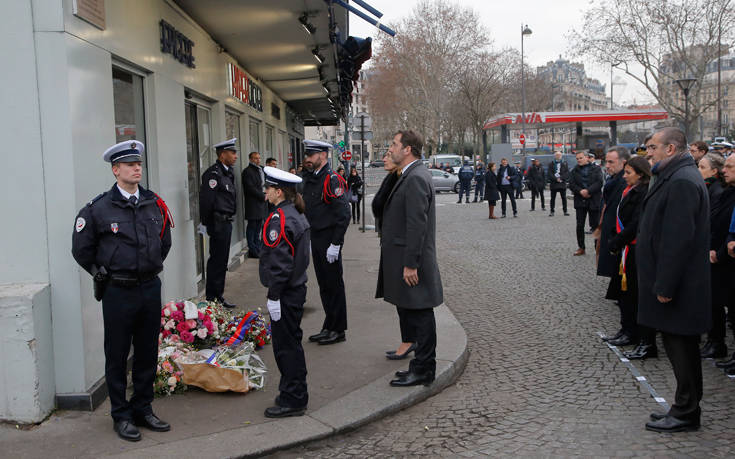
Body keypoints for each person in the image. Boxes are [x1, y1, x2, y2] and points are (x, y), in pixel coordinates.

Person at [72, 140, 173, 441]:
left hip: (149, 287)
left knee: (146, 352)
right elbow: (81, 249)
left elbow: (163, 241)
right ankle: (121, 415)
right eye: (129, 164)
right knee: (116, 354)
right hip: (118, 291)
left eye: (138, 163)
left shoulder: (154, 203)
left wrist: (148, 265)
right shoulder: (98, 209)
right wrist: (100, 273)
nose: (137, 167)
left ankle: (143, 408)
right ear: (116, 170)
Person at [638, 127, 711, 433]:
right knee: (677, 345)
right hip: (677, 285)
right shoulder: (676, 175)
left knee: (682, 348)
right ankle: (683, 406)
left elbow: (678, 240)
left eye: (652, 147)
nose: (648, 152)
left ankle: (686, 411)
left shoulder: (681, 180)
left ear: (670, 149)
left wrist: (665, 285)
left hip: (679, 288)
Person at [377, 130, 443, 387]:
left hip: (413, 263)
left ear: (407, 150)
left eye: (394, 144)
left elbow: (417, 225)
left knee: (421, 316)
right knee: (416, 314)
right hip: (406, 259)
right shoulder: (410, 174)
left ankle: (425, 370)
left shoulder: (415, 177)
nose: (391, 148)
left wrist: (410, 264)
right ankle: (419, 366)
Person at [259, 166, 311, 419]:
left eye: (268, 188)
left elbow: (280, 264)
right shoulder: (294, 213)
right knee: (291, 343)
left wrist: (273, 296)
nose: (265, 192)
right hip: (295, 289)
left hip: (286, 292)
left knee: (286, 347)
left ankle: (293, 398)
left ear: (278, 192)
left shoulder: (279, 218)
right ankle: (294, 392)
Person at [605, 157, 658, 358]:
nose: (625, 176)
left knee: (638, 296)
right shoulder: (629, 190)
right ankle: (627, 330)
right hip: (626, 248)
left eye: (629, 173)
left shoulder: (644, 193)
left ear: (641, 174)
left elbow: (636, 223)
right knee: (625, 294)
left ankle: (646, 340)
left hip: (637, 249)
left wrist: (618, 240)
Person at [302, 140, 351, 345]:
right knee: (324, 285)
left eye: (311, 155)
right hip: (317, 238)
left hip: (329, 239)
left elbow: (343, 214)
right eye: (307, 156)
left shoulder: (332, 180)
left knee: (334, 285)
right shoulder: (312, 178)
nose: (307, 159)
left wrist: (336, 243)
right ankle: (329, 324)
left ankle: (338, 329)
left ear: (322, 155)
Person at [372, 151, 416, 360]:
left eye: (389, 154)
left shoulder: (408, 179)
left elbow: (416, 224)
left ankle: (410, 342)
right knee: (400, 300)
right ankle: (407, 340)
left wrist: (410, 262)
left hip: (402, 250)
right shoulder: (394, 178)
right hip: (393, 248)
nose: (385, 158)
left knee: (406, 300)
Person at [700, 153, 734, 360]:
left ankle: (717, 342)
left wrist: (718, 251)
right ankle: (714, 341)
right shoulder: (724, 192)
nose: (725, 170)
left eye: (702, 167)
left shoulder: (720, 191)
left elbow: (724, 225)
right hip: (715, 252)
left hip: (723, 256)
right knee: (713, 301)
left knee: (720, 302)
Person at [200, 138, 238, 307]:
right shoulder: (213, 174)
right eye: (233, 152)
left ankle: (218, 296)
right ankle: (212, 299)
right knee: (216, 262)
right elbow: (207, 202)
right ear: (223, 155)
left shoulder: (227, 172)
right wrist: (207, 224)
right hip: (218, 223)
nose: (236, 156)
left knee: (222, 262)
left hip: (226, 223)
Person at [597, 147, 630, 330]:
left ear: (623, 162)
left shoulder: (624, 183)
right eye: (606, 162)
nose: (607, 165)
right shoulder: (612, 180)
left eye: (611, 162)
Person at [569, 151, 603, 256]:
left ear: (587, 158)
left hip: (593, 199)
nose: (579, 160)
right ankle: (581, 247)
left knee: (595, 225)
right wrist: (580, 191)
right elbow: (571, 184)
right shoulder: (574, 170)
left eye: (581, 158)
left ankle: (598, 247)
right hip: (580, 200)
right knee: (580, 225)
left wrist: (588, 191)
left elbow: (599, 182)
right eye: (577, 158)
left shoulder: (596, 169)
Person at [242, 151, 267, 259]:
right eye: (255, 158)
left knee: (258, 229)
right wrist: (263, 196)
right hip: (253, 204)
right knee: (252, 227)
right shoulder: (247, 172)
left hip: (261, 203)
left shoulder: (260, 169)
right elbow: (250, 188)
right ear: (250, 159)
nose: (258, 160)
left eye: (259, 158)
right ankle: (253, 250)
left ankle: (258, 248)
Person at [547, 151, 570, 216]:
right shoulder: (551, 164)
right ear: (555, 156)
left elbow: (567, 173)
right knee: (552, 198)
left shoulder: (565, 163)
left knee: (564, 198)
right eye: (557, 155)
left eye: (559, 155)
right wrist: (556, 179)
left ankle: (565, 211)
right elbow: (549, 173)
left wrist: (561, 178)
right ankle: (552, 211)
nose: (558, 156)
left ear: (561, 156)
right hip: (554, 183)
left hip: (562, 183)